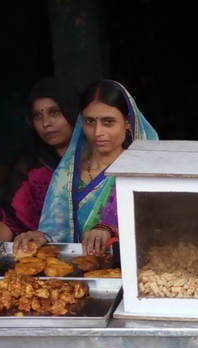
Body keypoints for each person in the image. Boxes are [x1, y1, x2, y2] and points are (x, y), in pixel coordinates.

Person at [14, 80, 157, 256]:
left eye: (108, 122)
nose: (98, 132)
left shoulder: (141, 172)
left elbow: (151, 226)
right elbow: (56, 230)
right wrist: (43, 237)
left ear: (128, 122)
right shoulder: (67, 173)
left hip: (128, 269)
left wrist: (108, 228)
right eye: (90, 121)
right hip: (74, 274)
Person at [0, 77, 80, 243]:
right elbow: (10, 218)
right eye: (37, 115)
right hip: (42, 259)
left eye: (54, 112)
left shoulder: (98, 162)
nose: (46, 123)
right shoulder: (30, 166)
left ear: (73, 111)